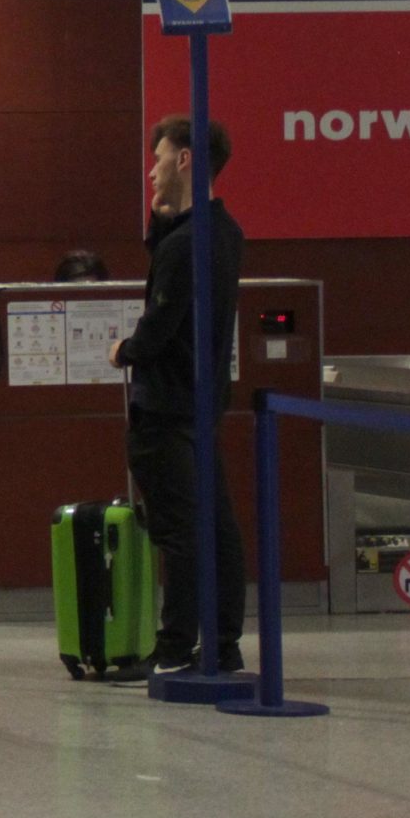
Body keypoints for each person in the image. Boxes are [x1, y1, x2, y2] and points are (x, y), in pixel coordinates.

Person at [108, 116, 246, 676]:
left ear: (185, 159)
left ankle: (175, 647)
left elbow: (160, 322)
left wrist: (125, 349)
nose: (152, 169)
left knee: (179, 530)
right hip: (203, 400)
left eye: (160, 158)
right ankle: (223, 643)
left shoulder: (189, 243)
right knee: (214, 524)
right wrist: (160, 221)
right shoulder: (222, 230)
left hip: (166, 404)